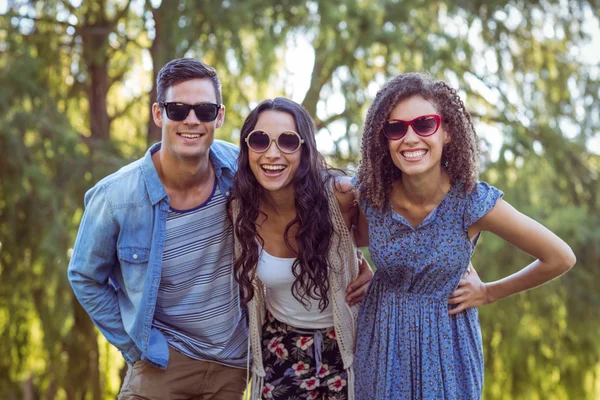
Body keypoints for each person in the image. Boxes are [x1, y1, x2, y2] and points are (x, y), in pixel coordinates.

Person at [67, 58, 373, 400]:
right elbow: (84, 276)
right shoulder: (117, 197)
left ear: (220, 116)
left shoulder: (242, 175)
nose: (192, 120)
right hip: (163, 363)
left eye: (205, 110)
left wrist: (375, 273)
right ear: (158, 114)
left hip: (232, 366)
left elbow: (378, 221)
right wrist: (138, 345)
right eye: (178, 109)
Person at [352, 73, 576, 399]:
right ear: (383, 139)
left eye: (424, 124)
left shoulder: (472, 202)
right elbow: (348, 235)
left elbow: (560, 257)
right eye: (396, 128)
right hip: (383, 340)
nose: (410, 138)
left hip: (446, 347)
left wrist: (487, 293)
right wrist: (367, 266)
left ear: (447, 132)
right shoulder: (370, 195)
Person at [228, 98, 370, 400]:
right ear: (247, 148)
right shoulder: (241, 209)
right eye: (260, 140)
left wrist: (378, 276)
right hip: (280, 351)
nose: (272, 153)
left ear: (305, 150)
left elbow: (398, 236)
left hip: (348, 350)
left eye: (288, 141)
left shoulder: (341, 196)